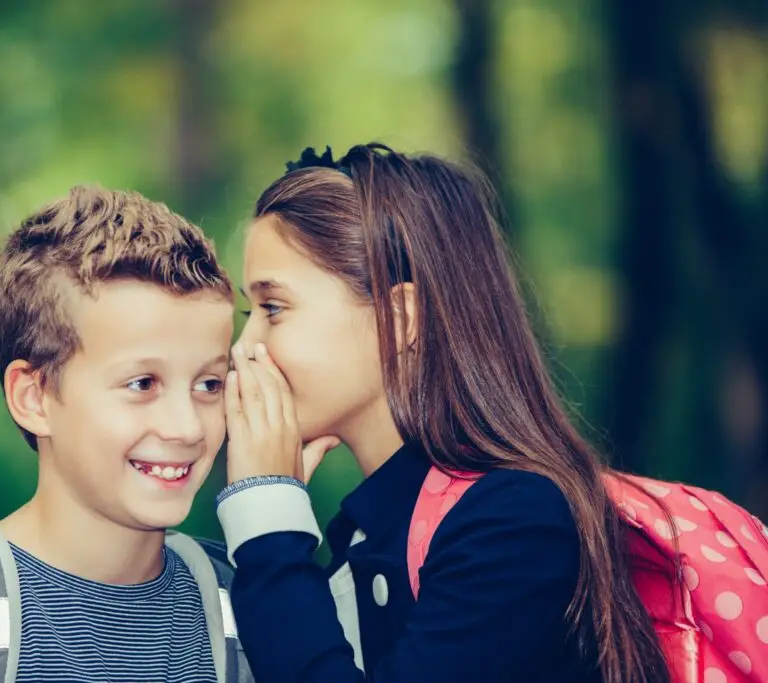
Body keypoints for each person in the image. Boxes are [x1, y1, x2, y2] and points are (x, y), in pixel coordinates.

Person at [215, 144, 672, 683]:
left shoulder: (514, 520)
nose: (244, 348)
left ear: (399, 317)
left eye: (273, 308)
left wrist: (268, 522)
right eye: (251, 311)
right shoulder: (368, 530)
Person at [0, 185, 237, 683]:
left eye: (209, 384)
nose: (187, 427)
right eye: (142, 383)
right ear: (34, 397)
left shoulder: (241, 608)